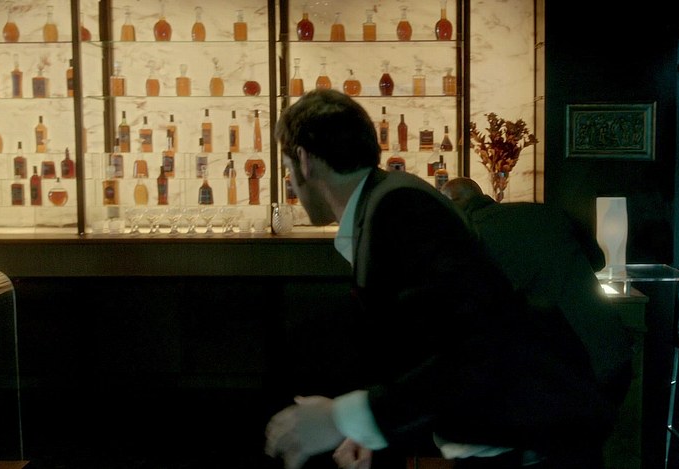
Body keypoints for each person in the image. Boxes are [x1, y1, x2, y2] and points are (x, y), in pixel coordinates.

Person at [265, 89, 614, 469]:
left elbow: (478, 344)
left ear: (304, 160)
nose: (291, 181)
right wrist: (371, 427)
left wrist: (344, 418)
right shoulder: (386, 199)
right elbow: (431, 345)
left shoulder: (398, 207)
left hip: (530, 442)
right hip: (507, 438)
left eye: (288, 167)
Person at [440, 177, 634, 408]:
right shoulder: (546, 213)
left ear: (454, 203)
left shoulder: (472, 238)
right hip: (613, 354)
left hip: (566, 374)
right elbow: (598, 261)